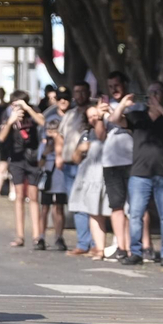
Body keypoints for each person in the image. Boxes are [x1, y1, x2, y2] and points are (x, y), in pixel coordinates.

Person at [120, 80, 163, 266]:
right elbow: (115, 120)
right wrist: (123, 104)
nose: (153, 95)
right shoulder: (137, 117)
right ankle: (136, 252)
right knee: (136, 214)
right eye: (150, 92)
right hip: (140, 173)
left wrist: (159, 107)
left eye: (157, 92)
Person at [0, 91, 47, 247]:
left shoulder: (33, 111)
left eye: (20, 104)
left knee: (33, 196)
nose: (17, 108)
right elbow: (0, 138)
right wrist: (11, 121)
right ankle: (20, 236)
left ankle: (37, 235)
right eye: (15, 105)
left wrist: (28, 109)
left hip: (32, 158)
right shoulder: (8, 115)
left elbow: (43, 123)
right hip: (16, 159)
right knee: (19, 196)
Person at [101, 72, 142, 259]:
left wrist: (120, 107)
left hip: (133, 161)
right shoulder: (106, 106)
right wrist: (98, 118)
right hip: (111, 162)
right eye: (110, 87)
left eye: (116, 85)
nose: (114, 90)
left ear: (126, 84)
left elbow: (121, 121)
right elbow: (101, 134)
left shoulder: (137, 106)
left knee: (136, 207)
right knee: (116, 206)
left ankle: (140, 247)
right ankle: (122, 247)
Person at [69, 103, 113, 257]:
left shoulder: (108, 132)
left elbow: (103, 139)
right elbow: (75, 159)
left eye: (96, 115)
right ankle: (86, 244)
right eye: (90, 117)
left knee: (101, 210)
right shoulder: (86, 134)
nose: (94, 119)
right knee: (83, 209)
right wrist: (80, 149)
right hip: (86, 177)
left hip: (103, 177)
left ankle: (98, 246)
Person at [59, 82, 95, 256]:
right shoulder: (70, 114)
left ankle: (95, 243)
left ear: (89, 92)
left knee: (91, 204)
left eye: (82, 91)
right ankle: (82, 243)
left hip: (87, 165)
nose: (79, 95)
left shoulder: (93, 113)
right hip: (69, 165)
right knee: (76, 205)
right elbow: (60, 136)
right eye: (76, 92)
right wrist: (58, 155)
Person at [40, 115, 71, 248]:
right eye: (49, 131)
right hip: (47, 177)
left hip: (60, 177)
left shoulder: (63, 143)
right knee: (45, 208)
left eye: (54, 131)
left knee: (59, 207)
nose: (51, 134)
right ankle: (41, 237)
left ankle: (59, 237)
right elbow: (39, 163)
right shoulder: (44, 144)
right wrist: (45, 153)